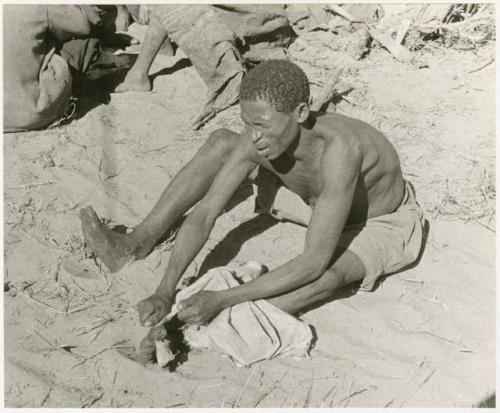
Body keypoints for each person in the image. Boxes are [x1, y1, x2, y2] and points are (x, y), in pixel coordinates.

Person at [80, 60, 425, 333]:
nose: (255, 136)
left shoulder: (340, 150)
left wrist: (222, 299)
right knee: (222, 143)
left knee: (325, 278)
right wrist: (165, 289)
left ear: (301, 113)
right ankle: (135, 244)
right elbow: (205, 214)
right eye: (248, 123)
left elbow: (313, 261)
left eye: (263, 125)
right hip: (312, 202)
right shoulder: (260, 136)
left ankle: (215, 324)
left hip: (376, 220)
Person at [3, 5, 102, 132]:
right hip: (34, 112)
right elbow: (85, 25)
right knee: (87, 42)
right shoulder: (42, 7)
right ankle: (72, 95)